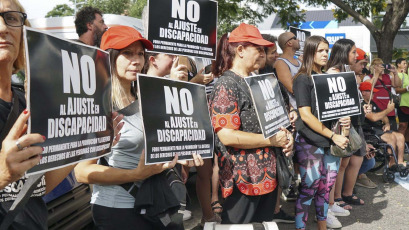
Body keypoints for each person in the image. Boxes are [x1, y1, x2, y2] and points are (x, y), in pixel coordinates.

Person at [0, 1, 120, 229]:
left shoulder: (26, 102)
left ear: (23, 30)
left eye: (11, 18)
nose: (2, 28)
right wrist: (2, 174)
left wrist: (91, 139)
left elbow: (38, 185)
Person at [74, 25, 204, 230]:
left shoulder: (148, 97)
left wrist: (182, 155)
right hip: (118, 210)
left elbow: (157, 147)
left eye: (140, 54)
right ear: (110, 57)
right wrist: (135, 174)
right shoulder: (98, 105)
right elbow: (81, 171)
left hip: (157, 204)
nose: (136, 60)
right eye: (127, 53)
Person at [209, 23, 293, 224]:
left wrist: (286, 137)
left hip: (268, 176)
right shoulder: (226, 84)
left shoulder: (260, 81)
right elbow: (226, 135)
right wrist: (272, 140)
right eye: (258, 49)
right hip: (243, 180)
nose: (263, 54)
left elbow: (276, 121)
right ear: (240, 50)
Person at [292, 35, 350, 230]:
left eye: (327, 50)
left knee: (325, 189)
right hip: (310, 142)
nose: (326, 54)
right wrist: (333, 135)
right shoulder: (302, 79)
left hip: (331, 142)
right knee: (309, 188)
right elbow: (306, 116)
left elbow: (336, 109)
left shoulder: (327, 77)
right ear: (310, 52)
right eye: (321, 51)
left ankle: (322, 227)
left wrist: (345, 120)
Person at [360, 81, 406, 167]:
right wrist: (388, 110)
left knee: (400, 136)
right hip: (369, 131)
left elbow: (383, 116)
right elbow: (373, 117)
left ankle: (400, 162)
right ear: (363, 92)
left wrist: (387, 123)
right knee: (391, 137)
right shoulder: (361, 104)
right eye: (371, 92)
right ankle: (391, 164)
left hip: (378, 129)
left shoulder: (373, 103)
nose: (373, 94)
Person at [364, 58, 401, 131]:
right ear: (373, 67)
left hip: (389, 107)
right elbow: (369, 86)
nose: (381, 67)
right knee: (381, 129)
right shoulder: (368, 77)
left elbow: (397, 84)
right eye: (378, 65)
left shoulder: (387, 76)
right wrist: (376, 73)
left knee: (393, 130)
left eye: (382, 65)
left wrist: (395, 73)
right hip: (377, 108)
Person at [394, 58, 409, 142]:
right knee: (403, 126)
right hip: (402, 103)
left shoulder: (406, 75)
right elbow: (397, 90)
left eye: (406, 63)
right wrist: (406, 89)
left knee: (407, 127)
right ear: (398, 64)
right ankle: (399, 144)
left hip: (408, 103)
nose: (405, 65)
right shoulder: (397, 75)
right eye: (404, 63)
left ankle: (406, 146)